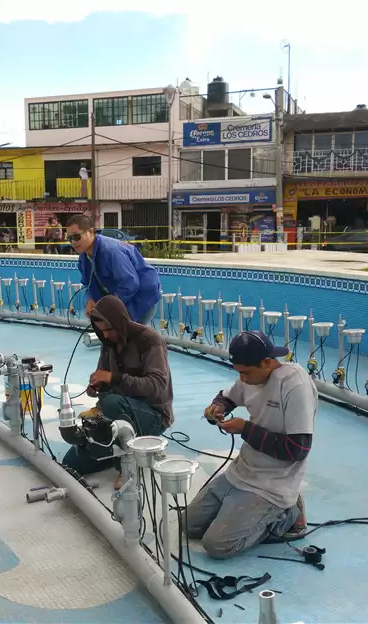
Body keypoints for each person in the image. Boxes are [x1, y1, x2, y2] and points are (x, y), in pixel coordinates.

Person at [185, 330, 316, 559]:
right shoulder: (251, 375)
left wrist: (246, 429)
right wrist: (218, 407)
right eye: (239, 373)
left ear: (267, 362)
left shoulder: (295, 385)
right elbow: (228, 396)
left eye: (245, 373)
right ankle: (244, 511)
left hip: (273, 483)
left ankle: (289, 512)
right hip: (242, 471)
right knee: (190, 526)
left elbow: (297, 450)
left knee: (217, 545)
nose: (242, 379)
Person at [62, 295, 173, 489]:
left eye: (109, 329)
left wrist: (113, 378)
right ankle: (113, 448)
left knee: (112, 402)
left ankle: (128, 466)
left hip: (153, 415)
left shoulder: (150, 340)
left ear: (121, 322)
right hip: (116, 415)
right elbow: (105, 379)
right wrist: (98, 386)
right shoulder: (108, 344)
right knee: (72, 462)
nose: (106, 336)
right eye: (102, 331)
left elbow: (158, 386)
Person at [66, 214, 160, 325]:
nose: (73, 242)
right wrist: (90, 299)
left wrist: (108, 307)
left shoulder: (110, 250)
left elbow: (129, 284)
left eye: (76, 237)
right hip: (120, 299)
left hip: (141, 298)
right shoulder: (84, 256)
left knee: (130, 338)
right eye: (69, 238)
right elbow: (88, 283)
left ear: (91, 232)